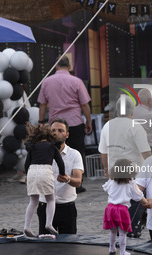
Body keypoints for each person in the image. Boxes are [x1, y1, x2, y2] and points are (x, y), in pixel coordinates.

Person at [37, 56, 92, 193]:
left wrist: (41, 122)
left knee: (55, 152)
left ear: (56, 66)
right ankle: (77, 183)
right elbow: (84, 105)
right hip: (74, 122)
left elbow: (42, 104)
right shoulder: (77, 82)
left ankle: (54, 181)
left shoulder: (47, 82)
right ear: (69, 67)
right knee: (77, 152)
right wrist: (89, 122)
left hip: (55, 124)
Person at [99, 96, 152, 238]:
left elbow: (103, 152)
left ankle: (119, 233)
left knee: (117, 203)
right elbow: (145, 152)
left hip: (114, 174)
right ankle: (132, 232)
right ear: (132, 111)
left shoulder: (107, 125)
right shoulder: (135, 126)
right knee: (135, 203)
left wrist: (106, 169)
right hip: (134, 174)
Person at [37, 118, 84, 234]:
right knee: (45, 248)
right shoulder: (41, 152)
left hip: (67, 208)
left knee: (69, 247)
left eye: (60, 130)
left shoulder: (74, 154)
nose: (56, 133)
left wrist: (68, 179)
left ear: (67, 135)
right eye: (53, 130)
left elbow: (78, 182)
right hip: (45, 206)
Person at [23, 124, 65, 237]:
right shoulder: (52, 146)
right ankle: (49, 223)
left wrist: (27, 176)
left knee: (33, 201)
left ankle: (27, 226)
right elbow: (60, 162)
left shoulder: (33, 147)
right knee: (51, 199)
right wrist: (62, 174)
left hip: (32, 170)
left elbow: (27, 163)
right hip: (45, 170)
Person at [103, 159, 148, 255]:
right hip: (122, 209)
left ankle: (112, 248)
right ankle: (122, 252)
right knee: (123, 232)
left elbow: (106, 189)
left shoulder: (112, 180)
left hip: (110, 208)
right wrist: (146, 202)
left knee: (113, 231)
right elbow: (138, 195)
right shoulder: (131, 183)